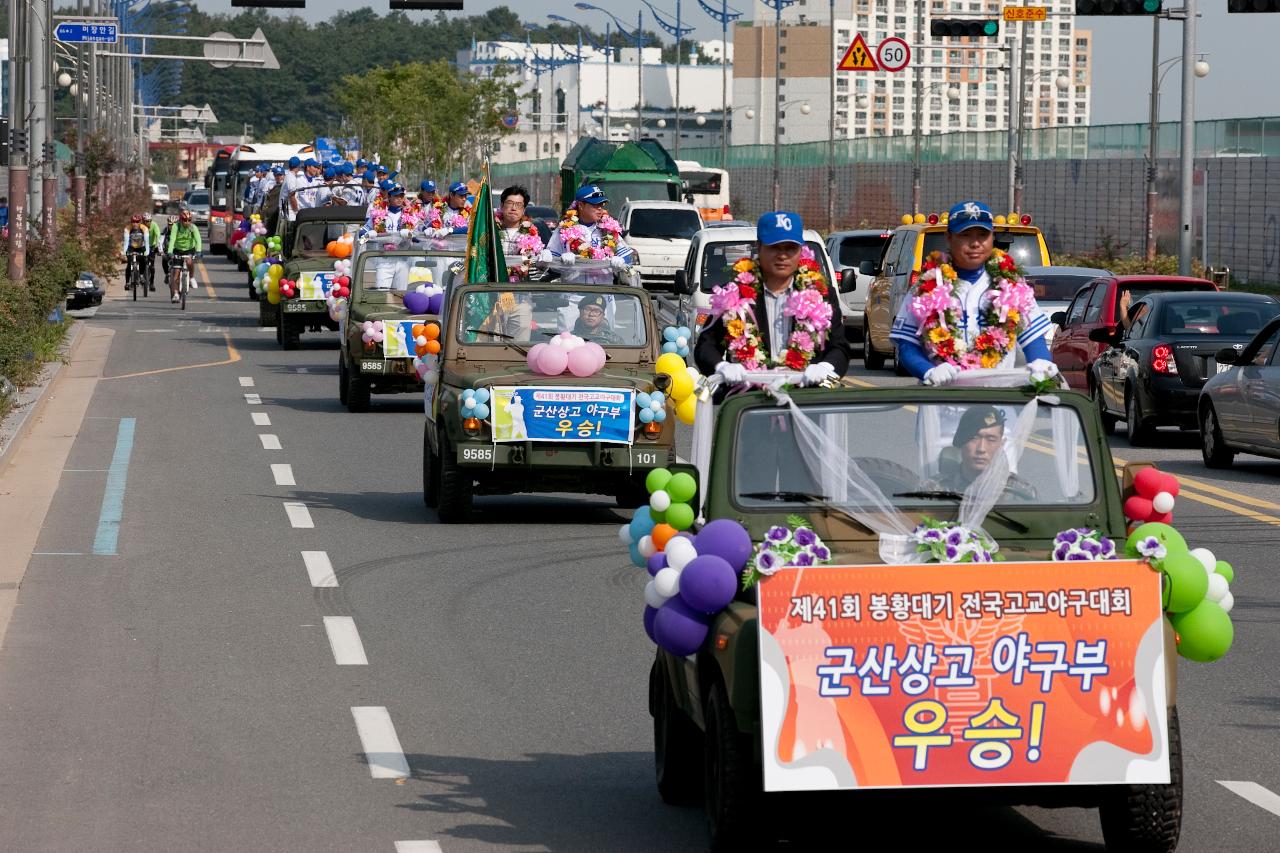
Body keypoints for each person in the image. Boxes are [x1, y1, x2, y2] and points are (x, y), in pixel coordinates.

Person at [890, 200, 1056, 386]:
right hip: (942, 403)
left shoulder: (1012, 286)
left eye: (983, 235)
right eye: (965, 235)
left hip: (1000, 404)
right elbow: (906, 344)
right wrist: (928, 370)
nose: (975, 243)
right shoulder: (927, 286)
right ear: (949, 238)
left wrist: (1041, 364)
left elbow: (1033, 339)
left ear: (992, 237)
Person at [694, 211, 851, 387]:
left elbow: (840, 348)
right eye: (775, 247)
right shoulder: (734, 295)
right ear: (759, 247)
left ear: (801, 250)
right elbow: (705, 347)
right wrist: (721, 366)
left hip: (806, 400)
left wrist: (825, 366)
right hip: (750, 401)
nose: (782, 256)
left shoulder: (820, 295)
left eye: (790, 248)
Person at [924, 405, 1036, 498]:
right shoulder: (935, 489)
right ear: (961, 441)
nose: (981, 449)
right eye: (974, 438)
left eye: (991, 439)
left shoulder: (1021, 493)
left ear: (1001, 444)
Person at [542, 185, 633, 269]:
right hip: (574, 284)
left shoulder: (608, 229)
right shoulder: (563, 230)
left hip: (603, 285)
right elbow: (550, 264)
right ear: (581, 205)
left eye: (601, 204)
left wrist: (620, 261)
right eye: (595, 204)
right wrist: (561, 261)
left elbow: (627, 259)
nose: (600, 208)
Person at [165, 209, 203, 303]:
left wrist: (198, 251)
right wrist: (170, 251)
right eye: (185, 220)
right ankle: (176, 294)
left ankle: (192, 278)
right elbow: (172, 239)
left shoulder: (193, 227)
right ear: (181, 220)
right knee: (176, 273)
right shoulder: (176, 227)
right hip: (177, 250)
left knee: (189, 261)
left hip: (189, 249)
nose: (187, 222)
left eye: (189, 220)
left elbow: (198, 239)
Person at [121, 214, 151, 291]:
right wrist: (124, 252)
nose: (135, 224)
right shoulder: (127, 229)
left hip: (141, 247)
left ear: (140, 222)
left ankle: (141, 275)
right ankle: (127, 282)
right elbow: (126, 242)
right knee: (129, 264)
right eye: (133, 222)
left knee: (144, 260)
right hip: (131, 247)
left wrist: (147, 252)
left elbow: (147, 241)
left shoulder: (144, 228)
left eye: (137, 222)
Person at [144, 212, 162, 291]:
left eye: (149, 221)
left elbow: (158, 235)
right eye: (146, 221)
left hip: (152, 246)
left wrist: (158, 246)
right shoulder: (141, 226)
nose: (148, 223)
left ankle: (152, 283)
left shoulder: (154, 225)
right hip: (142, 246)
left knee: (151, 266)